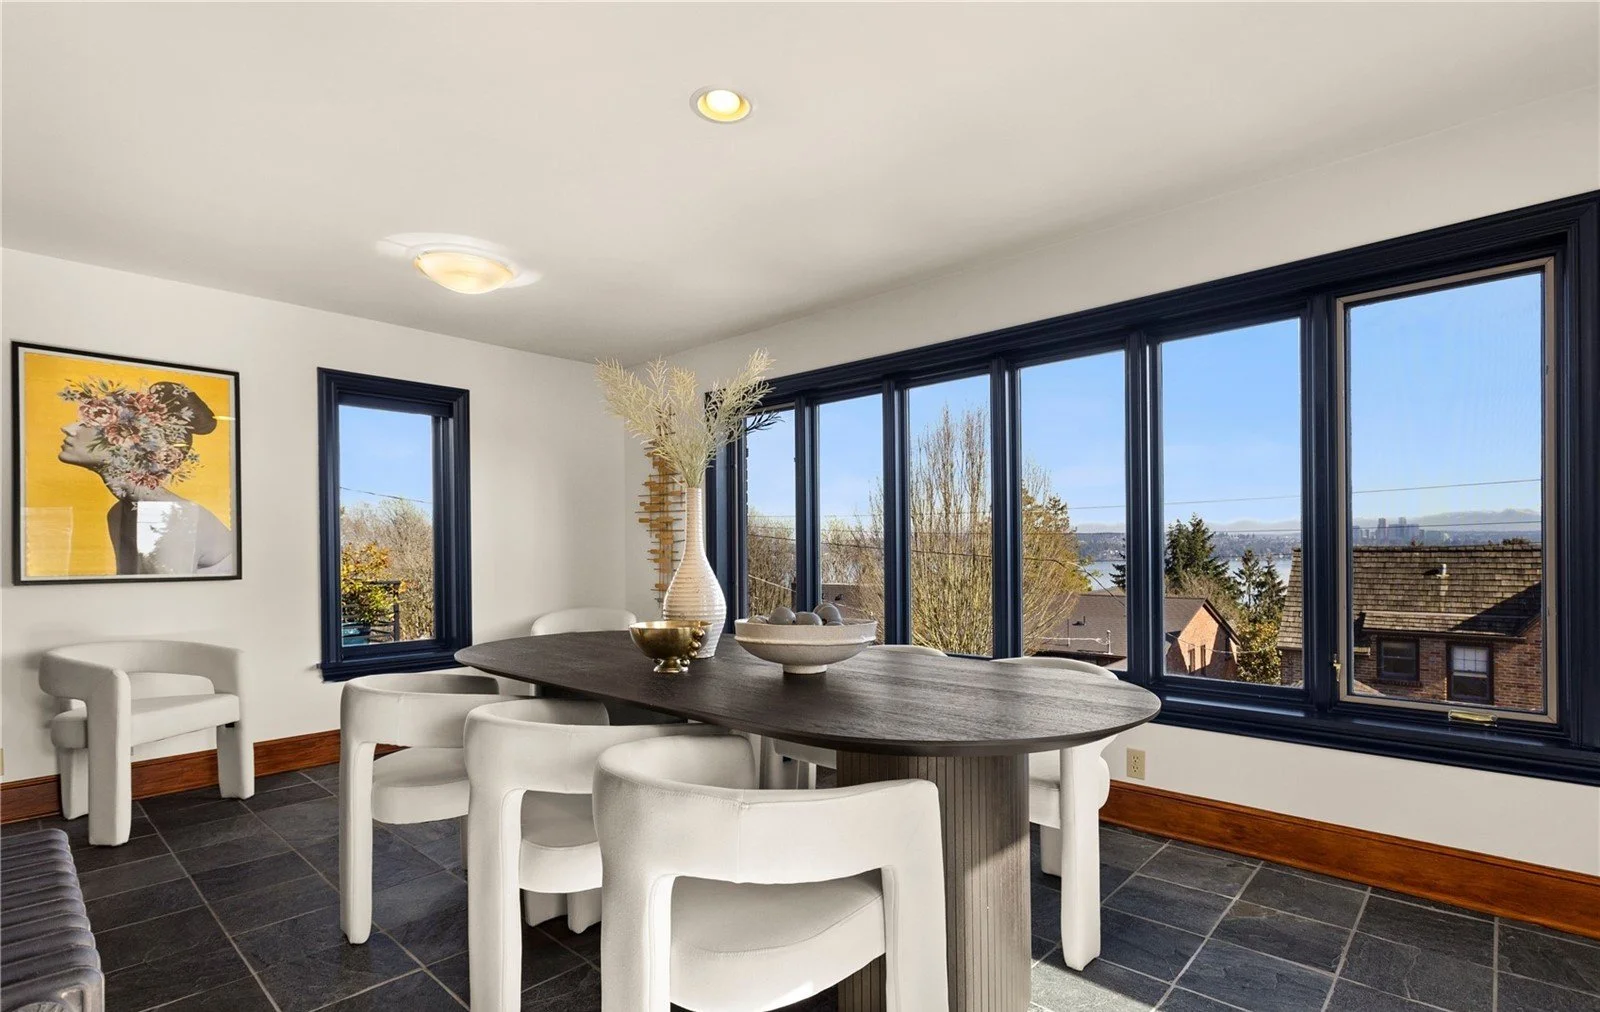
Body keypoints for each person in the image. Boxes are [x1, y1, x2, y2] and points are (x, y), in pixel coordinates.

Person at [57, 378, 234, 575]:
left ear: (124, 440)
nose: (68, 428)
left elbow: (165, 601)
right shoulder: (119, 512)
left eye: (86, 422)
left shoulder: (170, 518)